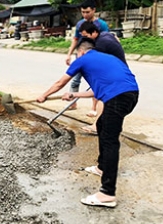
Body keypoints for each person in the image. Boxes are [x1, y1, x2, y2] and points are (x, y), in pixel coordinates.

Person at [36, 38, 139, 208]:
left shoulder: (83, 59)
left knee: (110, 139)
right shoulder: (107, 58)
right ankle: (101, 167)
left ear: (81, 51)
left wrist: (44, 95)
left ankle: (107, 193)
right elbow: (95, 90)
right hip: (130, 95)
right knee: (101, 125)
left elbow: (60, 82)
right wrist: (73, 95)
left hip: (117, 97)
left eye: (77, 54)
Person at [78, 21, 127, 135]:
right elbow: (115, 37)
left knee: (102, 97)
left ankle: (97, 126)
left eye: (86, 36)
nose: (84, 39)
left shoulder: (100, 45)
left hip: (114, 73)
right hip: (118, 70)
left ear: (94, 32)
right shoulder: (105, 35)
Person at [65, 0, 109, 111]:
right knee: (75, 79)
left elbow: (106, 40)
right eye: (83, 12)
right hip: (81, 56)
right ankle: (72, 103)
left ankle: (95, 108)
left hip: (96, 56)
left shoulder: (101, 25)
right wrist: (69, 54)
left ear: (94, 10)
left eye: (87, 12)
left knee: (95, 83)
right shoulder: (80, 24)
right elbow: (75, 40)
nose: (85, 15)